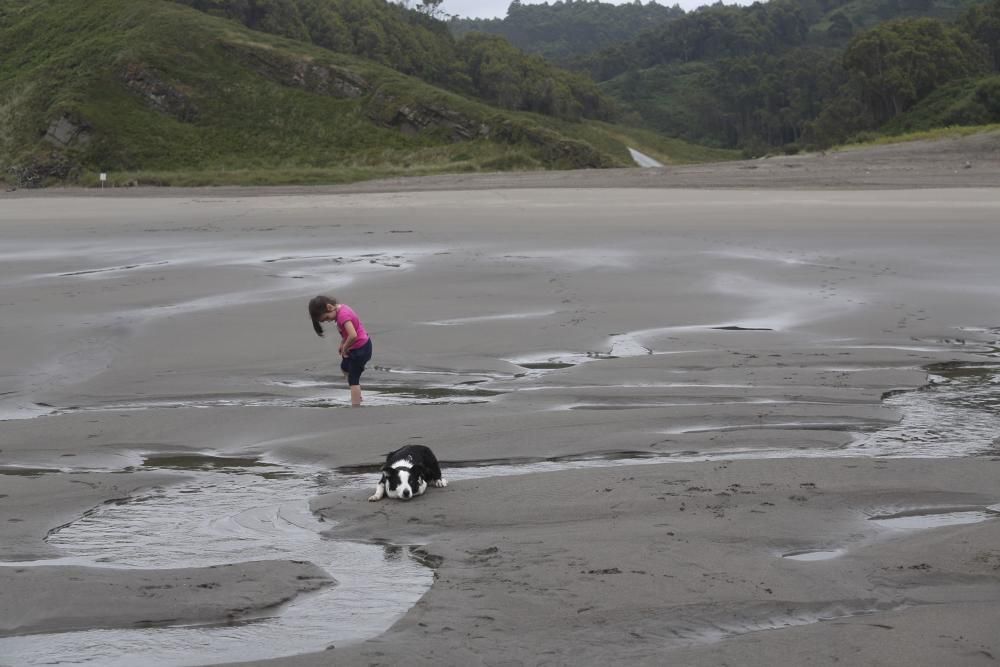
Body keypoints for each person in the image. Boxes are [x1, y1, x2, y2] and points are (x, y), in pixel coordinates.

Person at [308, 295, 372, 407]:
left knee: (353, 380)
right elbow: (347, 332)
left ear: (329, 307)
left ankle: (356, 405)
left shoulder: (343, 316)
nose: (328, 321)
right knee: (344, 368)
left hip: (361, 349)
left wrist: (345, 347)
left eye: (327, 318)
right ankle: (356, 394)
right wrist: (343, 343)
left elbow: (353, 335)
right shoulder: (341, 309)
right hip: (355, 347)